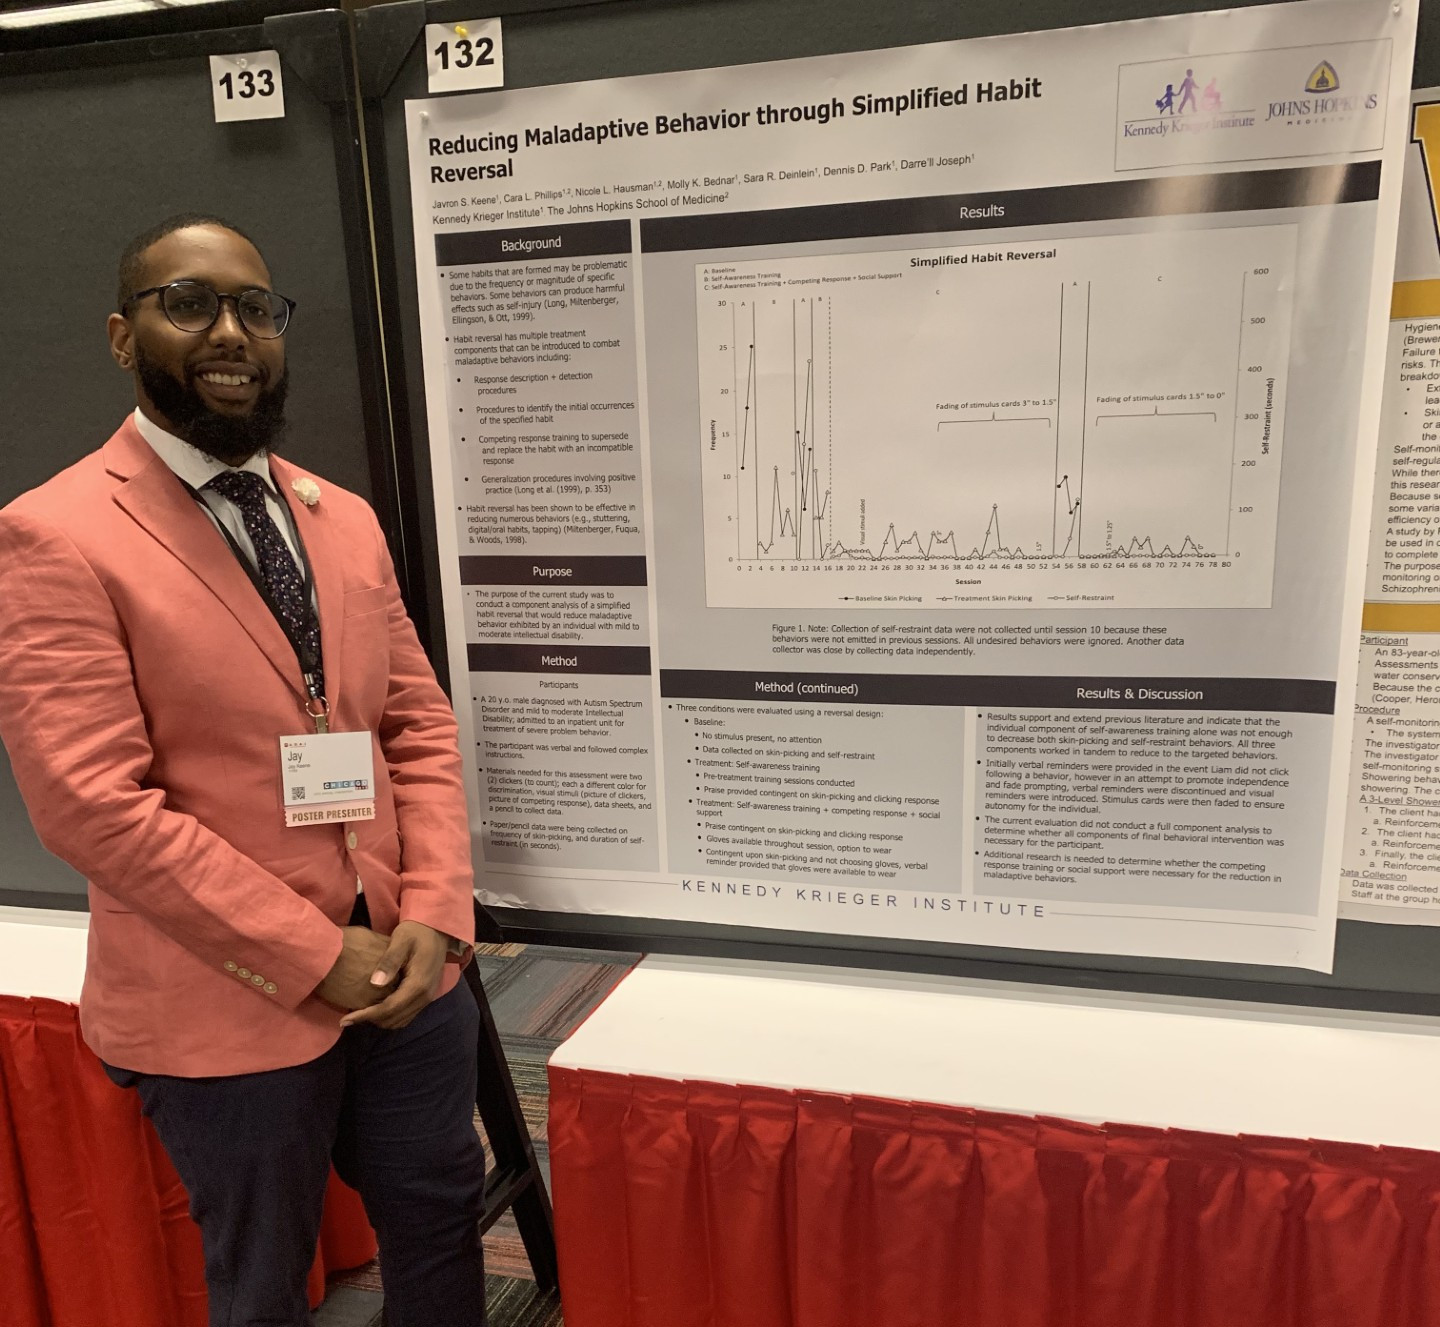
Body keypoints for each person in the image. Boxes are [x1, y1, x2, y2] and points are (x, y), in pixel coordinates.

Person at [0, 214, 488, 1327]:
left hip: (408, 965)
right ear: (123, 336)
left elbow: (415, 726)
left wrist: (437, 909)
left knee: (439, 1219)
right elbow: (92, 807)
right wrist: (313, 954)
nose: (231, 332)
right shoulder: (53, 534)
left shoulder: (341, 518)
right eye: (190, 303)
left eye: (256, 309)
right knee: (263, 1278)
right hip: (222, 997)